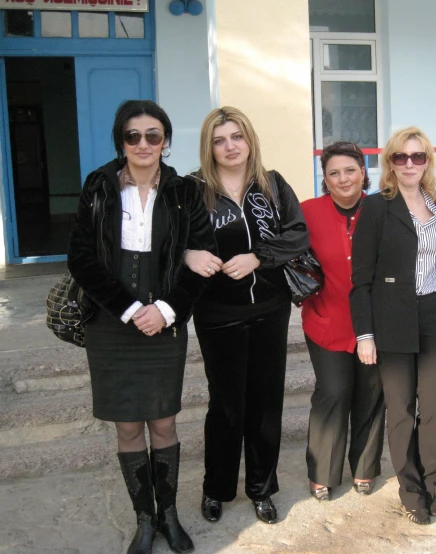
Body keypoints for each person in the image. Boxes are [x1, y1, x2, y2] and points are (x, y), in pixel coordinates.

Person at [67, 100, 217, 554]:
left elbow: (202, 255)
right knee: (128, 427)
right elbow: (81, 258)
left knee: (165, 423)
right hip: (112, 327)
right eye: (133, 136)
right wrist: (132, 309)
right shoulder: (98, 186)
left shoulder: (185, 191)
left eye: (153, 135)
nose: (144, 144)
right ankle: (144, 520)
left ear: (165, 141)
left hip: (165, 325)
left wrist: (168, 309)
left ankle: (169, 515)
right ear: (121, 142)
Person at [183, 106, 309, 526]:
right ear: (209, 147)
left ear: (249, 140)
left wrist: (259, 257)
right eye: (219, 140)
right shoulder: (191, 190)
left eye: (236, 137)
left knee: (265, 403)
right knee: (226, 406)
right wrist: (188, 252)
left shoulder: (271, 185)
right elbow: (166, 237)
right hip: (218, 312)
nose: (229, 146)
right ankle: (217, 487)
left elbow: (297, 233)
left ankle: (261, 487)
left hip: (269, 310)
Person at [350, 127, 436, 525]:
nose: (410, 164)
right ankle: (411, 491)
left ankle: (431, 483)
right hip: (391, 314)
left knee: (435, 406)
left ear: (428, 161)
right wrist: (365, 333)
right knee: (401, 408)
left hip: (432, 313)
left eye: (418, 157)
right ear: (390, 163)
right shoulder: (377, 207)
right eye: (401, 157)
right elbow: (360, 278)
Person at [300, 142, 385, 502]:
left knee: (370, 393)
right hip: (326, 319)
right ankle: (322, 470)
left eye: (350, 170)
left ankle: (365, 467)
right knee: (333, 392)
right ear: (325, 178)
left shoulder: (382, 209)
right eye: (334, 172)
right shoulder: (306, 212)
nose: (343, 178)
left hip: (376, 322)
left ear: (364, 172)